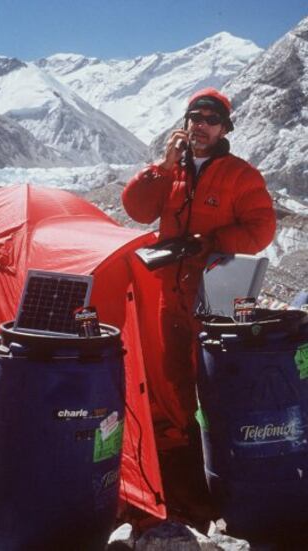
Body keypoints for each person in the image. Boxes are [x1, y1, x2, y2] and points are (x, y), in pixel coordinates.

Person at [122, 87, 276, 435]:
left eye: (212, 120)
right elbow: (139, 211)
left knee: (217, 369)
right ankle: (189, 441)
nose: (201, 126)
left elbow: (261, 229)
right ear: (185, 123)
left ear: (224, 130)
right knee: (175, 369)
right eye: (196, 118)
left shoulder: (241, 175)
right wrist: (161, 168)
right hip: (172, 292)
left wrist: (211, 244)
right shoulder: (170, 171)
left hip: (217, 290)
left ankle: (222, 444)